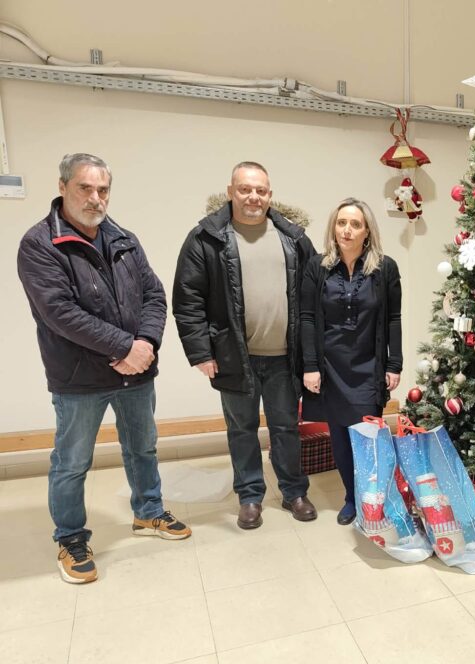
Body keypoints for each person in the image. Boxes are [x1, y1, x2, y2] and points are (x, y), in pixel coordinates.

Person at [17, 153, 190, 585]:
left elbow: (154, 295)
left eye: (103, 189)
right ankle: (71, 537)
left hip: (136, 373)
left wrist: (146, 344)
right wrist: (124, 348)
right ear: (63, 187)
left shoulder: (123, 238)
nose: (95, 198)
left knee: (143, 447)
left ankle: (148, 512)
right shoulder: (39, 244)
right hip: (79, 378)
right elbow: (61, 313)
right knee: (72, 462)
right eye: (85, 188)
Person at [173, 161, 316, 530]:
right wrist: (201, 352)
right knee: (242, 430)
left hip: (285, 358)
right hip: (234, 357)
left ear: (270, 194)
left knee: (286, 428)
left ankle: (294, 492)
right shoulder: (206, 238)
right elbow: (188, 299)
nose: (254, 196)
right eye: (245, 189)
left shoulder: (293, 238)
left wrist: (313, 354)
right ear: (230, 192)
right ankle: (250, 496)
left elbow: (313, 296)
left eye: (261, 190)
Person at [299, 198, 402, 525]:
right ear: (334, 227)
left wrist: (394, 363)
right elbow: (306, 318)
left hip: (368, 366)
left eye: (355, 224)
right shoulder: (317, 267)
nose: (347, 230)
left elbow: (394, 318)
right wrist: (310, 365)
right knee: (340, 437)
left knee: (367, 436)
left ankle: (372, 496)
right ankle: (351, 498)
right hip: (331, 367)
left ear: (367, 231)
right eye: (341, 222)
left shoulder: (385, 268)